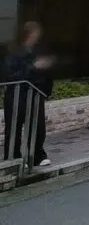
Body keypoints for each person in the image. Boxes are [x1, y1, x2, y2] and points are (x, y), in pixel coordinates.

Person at [1, 22, 55, 168]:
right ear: (26, 35)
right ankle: (13, 157)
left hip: (35, 95)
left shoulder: (39, 51)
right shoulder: (13, 52)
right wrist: (33, 67)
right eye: (33, 34)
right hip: (16, 96)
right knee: (14, 128)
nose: (36, 37)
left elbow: (47, 74)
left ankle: (37, 156)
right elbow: (10, 75)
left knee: (37, 127)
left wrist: (46, 91)